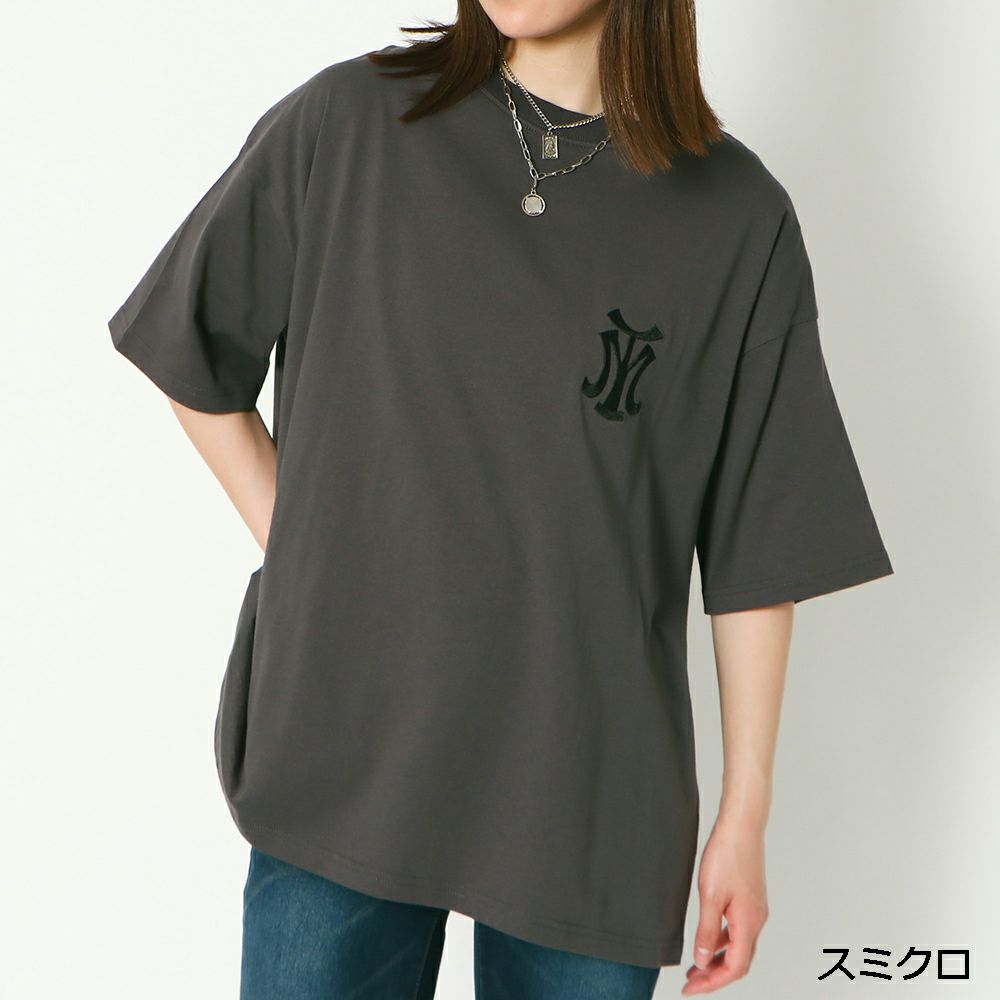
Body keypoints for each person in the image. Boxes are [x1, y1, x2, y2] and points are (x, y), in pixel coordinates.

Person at [106, 2, 895, 997]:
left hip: (586, 785)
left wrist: (746, 813)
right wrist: (310, 552)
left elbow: (759, 547)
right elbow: (191, 348)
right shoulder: (352, 123)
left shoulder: (736, 217)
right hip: (350, 743)